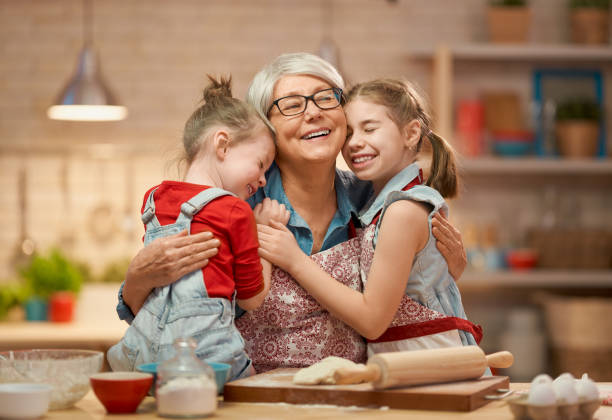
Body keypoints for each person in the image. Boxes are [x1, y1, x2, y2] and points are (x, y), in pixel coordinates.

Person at [116, 53, 468, 373]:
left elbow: (412, 288)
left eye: (326, 97)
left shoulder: (373, 197)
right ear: (266, 128)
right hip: (250, 398)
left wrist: (444, 265)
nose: (313, 112)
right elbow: (166, 308)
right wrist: (138, 279)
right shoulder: (235, 203)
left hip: (350, 398)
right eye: (292, 105)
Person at [257, 78, 482, 358]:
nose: (355, 143)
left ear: (411, 134)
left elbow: (372, 321)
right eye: (348, 133)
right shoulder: (374, 201)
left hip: (433, 363)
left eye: (370, 129)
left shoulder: (402, 210)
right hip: (405, 364)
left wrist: (294, 260)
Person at [107, 76, 289, 381]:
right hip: (206, 355)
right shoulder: (236, 211)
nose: (261, 180)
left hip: (145, 358)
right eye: (261, 164)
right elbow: (251, 298)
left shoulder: (154, 199)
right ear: (222, 144)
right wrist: (264, 231)